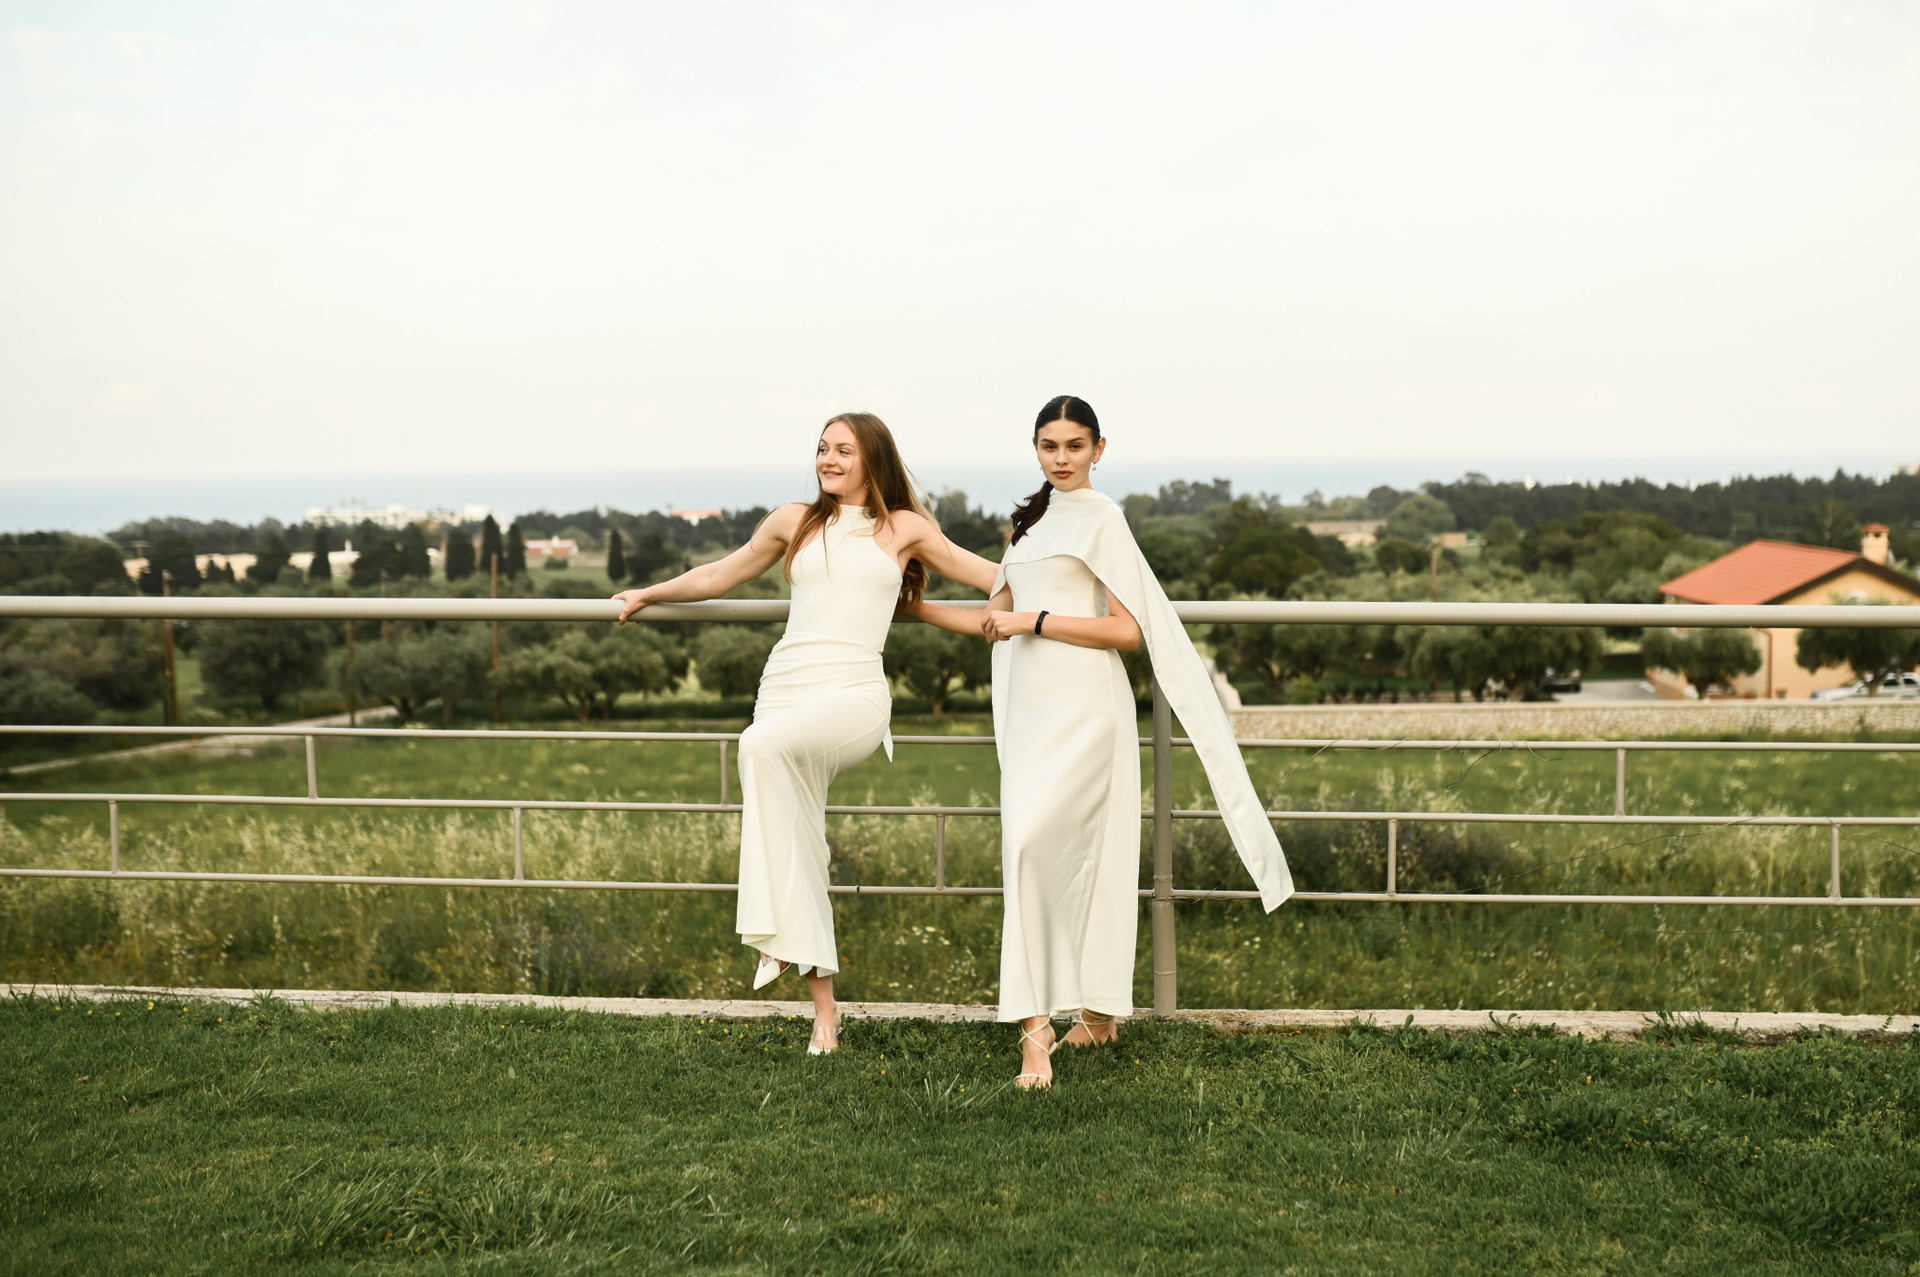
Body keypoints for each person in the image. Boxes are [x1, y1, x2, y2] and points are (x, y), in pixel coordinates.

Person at [910, 396, 1293, 1087]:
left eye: (1075, 445)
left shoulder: (1105, 519)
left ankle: (1041, 1034)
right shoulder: (1028, 524)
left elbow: (1127, 631)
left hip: (1088, 708)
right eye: (1049, 445)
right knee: (1030, 847)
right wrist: (914, 608)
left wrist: (1036, 620)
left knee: (1061, 849)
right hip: (1032, 712)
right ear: (1035, 449)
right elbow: (994, 620)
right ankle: (1095, 1014)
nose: (1061, 458)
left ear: (1099, 448)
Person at [613, 413, 995, 1055]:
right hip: (785, 688)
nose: (828, 459)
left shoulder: (904, 528)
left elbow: (991, 577)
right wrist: (647, 593)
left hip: (855, 696)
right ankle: (824, 1012)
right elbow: (719, 575)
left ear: (873, 459)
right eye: (822, 448)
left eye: (844, 450)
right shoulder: (794, 520)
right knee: (799, 839)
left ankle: (778, 937)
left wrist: (1057, 599)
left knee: (757, 747)